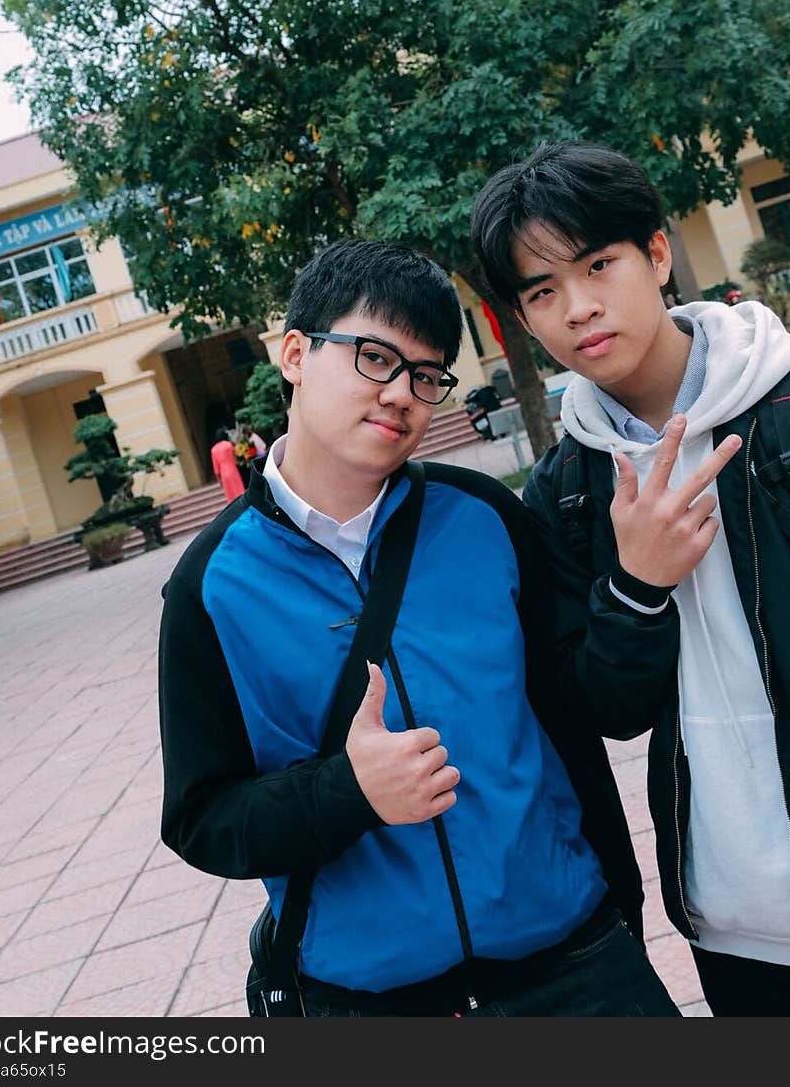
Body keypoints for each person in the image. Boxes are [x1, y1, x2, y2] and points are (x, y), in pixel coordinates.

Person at [158, 237, 679, 1017]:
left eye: (427, 374)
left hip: (572, 964)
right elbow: (201, 820)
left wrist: (638, 585)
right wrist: (349, 792)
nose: (402, 392)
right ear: (295, 354)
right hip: (373, 1002)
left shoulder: (487, 520)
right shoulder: (210, 585)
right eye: (374, 357)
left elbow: (593, 705)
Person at [469, 140, 790, 1017]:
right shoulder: (570, 490)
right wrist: (636, 585)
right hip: (735, 918)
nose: (579, 309)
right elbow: (608, 708)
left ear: (657, 255)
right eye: (542, 291)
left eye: (599, 265)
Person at [210, 427, 245, 503]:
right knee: (239, 490)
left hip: (223, 474)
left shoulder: (213, 450)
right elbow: (236, 457)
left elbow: (216, 469)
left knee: (230, 494)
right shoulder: (228, 445)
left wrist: (220, 481)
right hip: (233, 470)